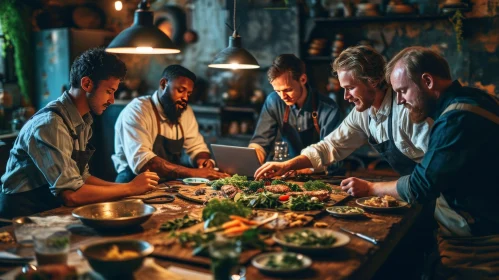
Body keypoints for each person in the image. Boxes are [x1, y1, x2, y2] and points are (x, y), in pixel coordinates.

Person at [341, 47, 499, 278]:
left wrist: (370, 188)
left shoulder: (457, 118)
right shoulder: (475, 99)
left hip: (483, 239)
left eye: (403, 91)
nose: (400, 100)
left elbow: (421, 186)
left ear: (427, 81)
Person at [0, 48, 160, 219]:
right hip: (21, 214)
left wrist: (126, 187)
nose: (112, 100)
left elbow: (81, 178)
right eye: (109, 91)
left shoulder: (82, 120)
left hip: (47, 207)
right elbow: (71, 195)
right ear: (87, 84)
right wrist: (130, 188)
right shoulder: (51, 124)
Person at [254, 46, 432, 180]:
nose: (346, 97)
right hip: (416, 192)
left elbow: (435, 169)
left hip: (443, 202)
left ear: (374, 81)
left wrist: (374, 188)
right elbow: (329, 147)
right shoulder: (362, 113)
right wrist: (287, 165)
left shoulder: (407, 111)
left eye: (351, 88)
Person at [113, 65, 228, 182]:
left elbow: (196, 147)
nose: (185, 98)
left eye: (188, 93)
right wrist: (194, 173)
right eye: (181, 90)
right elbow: (145, 163)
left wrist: (203, 161)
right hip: (132, 182)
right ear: (163, 84)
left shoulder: (185, 112)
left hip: (167, 183)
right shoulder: (137, 110)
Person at [249, 54, 342, 174]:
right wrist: (252, 160)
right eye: (277, 91)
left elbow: (333, 157)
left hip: (321, 177)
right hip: (286, 172)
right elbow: (260, 142)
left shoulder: (329, 109)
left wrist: (300, 170)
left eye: (288, 90)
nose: (283, 97)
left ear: (302, 79)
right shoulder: (274, 101)